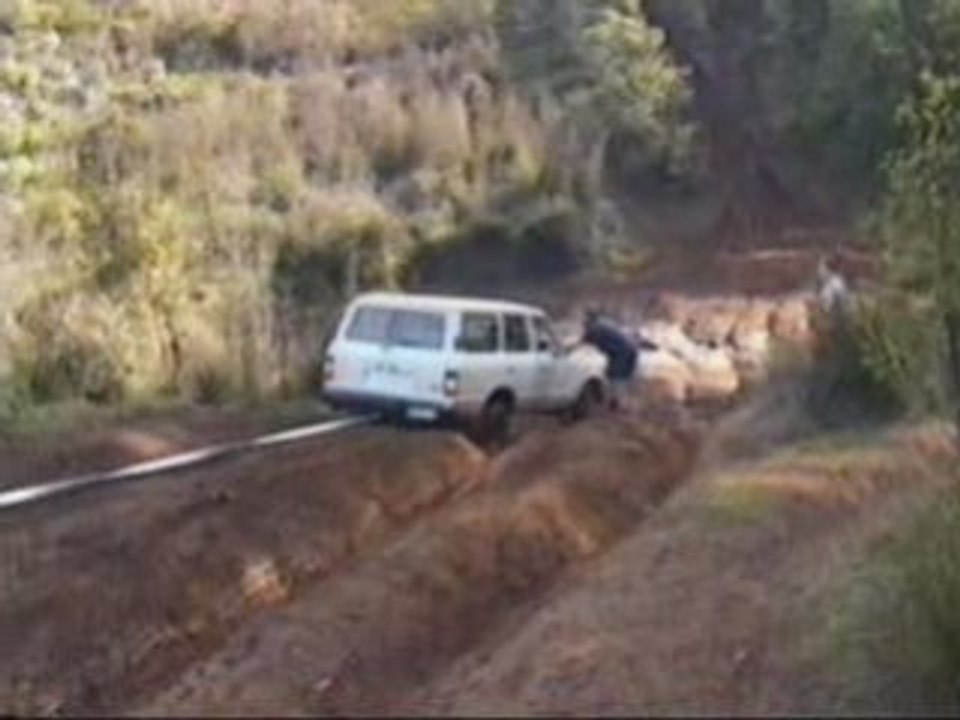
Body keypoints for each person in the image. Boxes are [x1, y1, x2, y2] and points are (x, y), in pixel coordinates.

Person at [581, 309, 639, 411]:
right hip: (628, 350)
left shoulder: (595, 328)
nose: (583, 324)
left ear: (589, 320)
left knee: (616, 376)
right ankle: (618, 403)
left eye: (585, 321)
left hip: (622, 352)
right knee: (617, 376)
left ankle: (619, 405)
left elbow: (582, 342)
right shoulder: (603, 324)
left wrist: (568, 348)